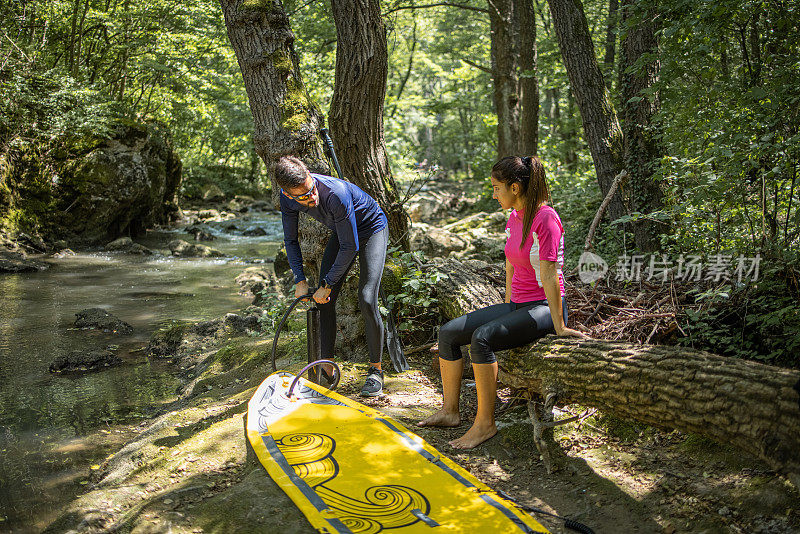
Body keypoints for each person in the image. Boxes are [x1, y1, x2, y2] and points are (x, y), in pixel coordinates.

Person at [418, 155, 587, 449]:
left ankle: (485, 425)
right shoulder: (514, 217)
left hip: (545, 307)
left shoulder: (546, 218)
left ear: (515, 188)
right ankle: (450, 412)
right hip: (519, 304)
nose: (493, 194)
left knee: (482, 339)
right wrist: (507, 305)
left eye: (497, 188)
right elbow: (510, 264)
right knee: (448, 333)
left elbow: (549, 274)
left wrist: (559, 326)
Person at [276, 156, 389, 397]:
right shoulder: (286, 200)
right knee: (322, 300)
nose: (312, 198)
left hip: (372, 228)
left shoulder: (335, 193)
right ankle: (326, 364)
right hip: (343, 232)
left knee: (367, 298)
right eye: (303, 197)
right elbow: (290, 239)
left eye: (311, 189)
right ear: (288, 195)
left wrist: (328, 283)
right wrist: (299, 279)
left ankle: (376, 371)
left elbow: (350, 247)